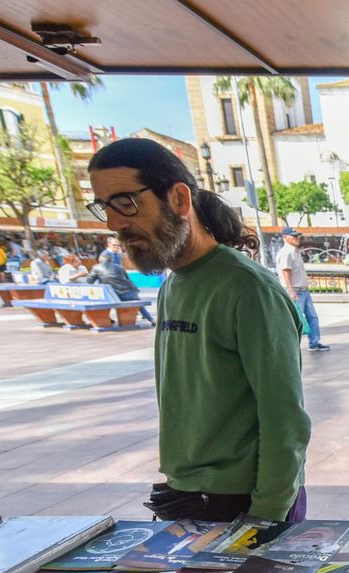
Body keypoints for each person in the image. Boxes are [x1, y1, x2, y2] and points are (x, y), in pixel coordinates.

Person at [87, 136, 311, 524]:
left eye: (126, 203)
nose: (115, 223)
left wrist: (268, 517)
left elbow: (285, 419)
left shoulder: (248, 289)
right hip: (187, 493)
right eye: (103, 207)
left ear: (179, 199)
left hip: (243, 501)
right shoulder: (174, 283)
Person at [275, 226, 328, 351]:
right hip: (296, 291)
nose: (297, 238)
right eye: (293, 236)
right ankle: (291, 346)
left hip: (303, 290)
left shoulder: (295, 251)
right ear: (285, 238)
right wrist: (291, 291)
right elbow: (286, 272)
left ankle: (314, 342)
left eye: (297, 236)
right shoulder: (286, 252)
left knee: (312, 317)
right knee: (296, 320)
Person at [89, 252, 154, 323]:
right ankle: (151, 319)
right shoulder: (119, 267)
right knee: (138, 304)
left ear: (99, 260)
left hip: (113, 295)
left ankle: (106, 319)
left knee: (105, 299)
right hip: (129, 292)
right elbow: (127, 278)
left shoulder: (96, 267)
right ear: (111, 260)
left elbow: (89, 281)